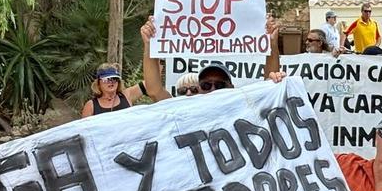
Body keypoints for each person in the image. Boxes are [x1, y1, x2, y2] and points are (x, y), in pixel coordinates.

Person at [141, 16, 282, 99]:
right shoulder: (185, 111)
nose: (213, 89)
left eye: (220, 85)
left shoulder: (242, 107)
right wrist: (149, 45)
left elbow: (269, 88)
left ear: (231, 88)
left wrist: (272, 44)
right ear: (199, 88)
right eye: (206, 85)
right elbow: (154, 91)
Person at [80, 63, 148, 117]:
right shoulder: (91, 105)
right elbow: (84, 131)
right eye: (106, 79)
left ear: (119, 82)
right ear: (98, 83)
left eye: (114, 78)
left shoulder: (127, 95)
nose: (111, 82)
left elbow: (149, 83)